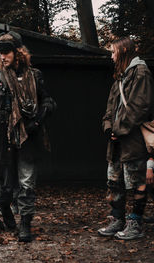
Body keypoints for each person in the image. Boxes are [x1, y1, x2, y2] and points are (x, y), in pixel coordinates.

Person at [0, 31, 56, 242]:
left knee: (27, 183)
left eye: (6, 52)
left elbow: (49, 102)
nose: (3, 56)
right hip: (4, 137)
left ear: (18, 52)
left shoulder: (35, 75)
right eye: (0, 53)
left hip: (29, 137)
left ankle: (25, 224)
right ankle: (5, 209)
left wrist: (37, 120)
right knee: (6, 186)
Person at [98, 37, 154, 240]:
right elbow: (109, 108)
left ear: (123, 53)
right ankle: (117, 219)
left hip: (133, 141)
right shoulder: (120, 78)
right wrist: (108, 128)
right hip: (116, 142)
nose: (111, 57)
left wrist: (118, 129)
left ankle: (135, 223)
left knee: (138, 182)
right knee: (114, 181)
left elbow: (140, 107)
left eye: (113, 52)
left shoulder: (141, 73)